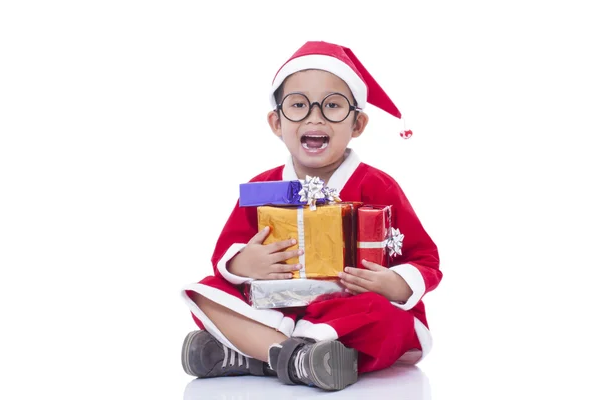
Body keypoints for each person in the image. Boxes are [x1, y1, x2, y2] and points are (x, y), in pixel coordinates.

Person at [181, 40, 442, 391]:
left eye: (332, 106)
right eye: (299, 105)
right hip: (280, 309)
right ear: (276, 122)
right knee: (205, 291)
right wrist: (243, 264)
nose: (315, 117)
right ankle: (293, 358)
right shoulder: (262, 188)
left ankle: (251, 356)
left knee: (382, 318)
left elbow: (424, 257)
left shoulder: (378, 185)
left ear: (358, 123)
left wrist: (396, 283)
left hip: (348, 309)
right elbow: (225, 256)